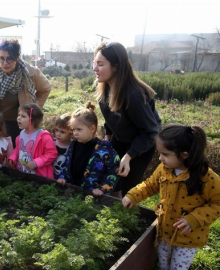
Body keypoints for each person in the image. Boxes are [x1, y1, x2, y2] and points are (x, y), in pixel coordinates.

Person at [122, 124, 220, 270]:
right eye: (159, 153)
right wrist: (133, 195)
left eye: (165, 154)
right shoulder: (164, 169)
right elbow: (149, 185)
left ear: (184, 155)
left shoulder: (206, 177)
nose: (160, 158)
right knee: (163, 265)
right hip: (165, 232)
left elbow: (217, 203)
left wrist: (194, 218)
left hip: (188, 237)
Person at [93, 41, 161, 198]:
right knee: (112, 177)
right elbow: (110, 115)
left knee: (129, 187)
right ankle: (114, 210)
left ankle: (127, 215)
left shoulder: (134, 96)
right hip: (121, 137)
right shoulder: (104, 88)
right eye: (95, 63)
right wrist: (108, 135)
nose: (94, 68)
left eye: (100, 64)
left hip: (142, 143)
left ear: (115, 67)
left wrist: (129, 156)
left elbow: (150, 132)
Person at [0, 38, 52, 145]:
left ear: (17, 57)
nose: (5, 63)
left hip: (17, 124)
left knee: (15, 151)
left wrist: (34, 108)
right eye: (2, 58)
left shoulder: (30, 72)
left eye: (10, 59)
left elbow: (46, 88)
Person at [56, 103, 120, 196]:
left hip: (92, 195)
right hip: (72, 191)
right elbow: (67, 164)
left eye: (79, 129)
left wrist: (102, 189)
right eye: (73, 130)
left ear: (92, 128)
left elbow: (113, 170)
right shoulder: (74, 144)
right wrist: (63, 177)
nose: (75, 133)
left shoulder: (105, 148)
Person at [7, 103, 57, 178]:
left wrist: (35, 163)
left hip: (39, 177)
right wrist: (13, 157)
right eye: (19, 115)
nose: (18, 118)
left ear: (33, 120)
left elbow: (52, 154)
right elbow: (18, 149)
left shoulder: (44, 137)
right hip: (23, 173)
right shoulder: (21, 135)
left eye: (23, 116)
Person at [52, 112, 73, 179]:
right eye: (56, 130)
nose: (58, 134)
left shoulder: (73, 147)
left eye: (62, 132)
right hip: (49, 176)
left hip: (64, 180)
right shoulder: (52, 142)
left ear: (72, 133)